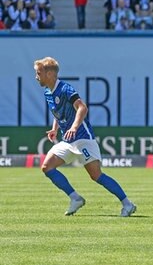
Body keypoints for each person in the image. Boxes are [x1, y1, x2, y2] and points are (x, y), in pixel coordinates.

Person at [34, 57, 136, 217]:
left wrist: (74, 127)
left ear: (49, 74)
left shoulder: (65, 89)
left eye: (39, 73)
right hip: (67, 140)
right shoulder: (48, 92)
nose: (36, 76)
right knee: (47, 167)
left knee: (96, 175)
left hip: (82, 138)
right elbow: (58, 113)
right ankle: (75, 198)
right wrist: (54, 128)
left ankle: (127, 204)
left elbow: (82, 107)